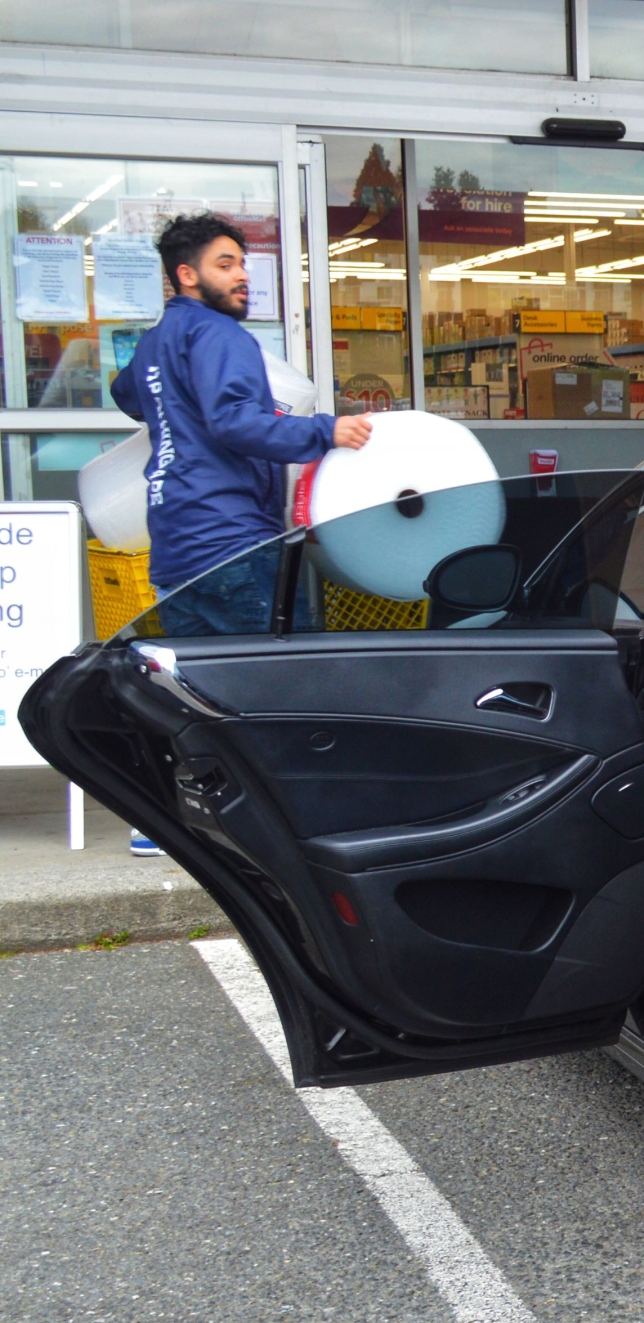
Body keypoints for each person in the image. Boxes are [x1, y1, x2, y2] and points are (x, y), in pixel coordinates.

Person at [109, 213, 370, 854]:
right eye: (225, 264)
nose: (242, 275)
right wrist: (324, 431)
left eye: (242, 263)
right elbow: (234, 424)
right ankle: (317, 823)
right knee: (290, 684)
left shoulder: (155, 344)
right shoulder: (219, 335)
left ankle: (170, 822)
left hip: (175, 544)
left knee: (196, 693)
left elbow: (128, 395)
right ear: (186, 275)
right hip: (231, 540)